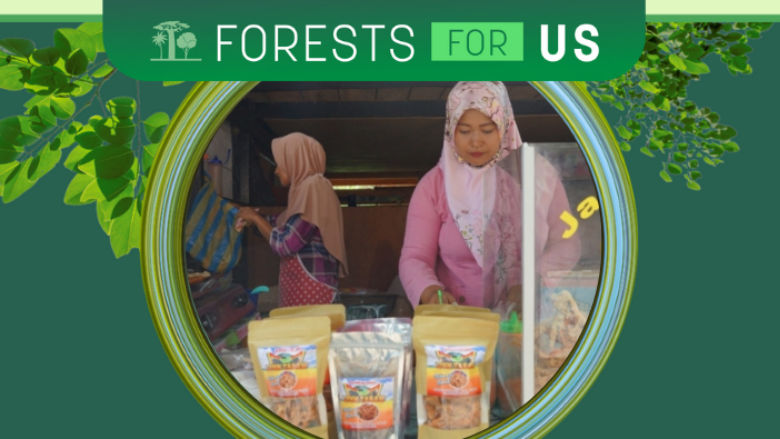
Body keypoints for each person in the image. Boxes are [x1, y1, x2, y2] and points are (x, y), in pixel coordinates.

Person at [398, 81, 581, 310]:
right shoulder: (434, 186)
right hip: (459, 324)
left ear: (505, 126)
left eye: (487, 129)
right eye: (464, 130)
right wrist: (430, 290)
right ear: (450, 129)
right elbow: (415, 258)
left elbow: (567, 242)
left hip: (525, 323)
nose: (476, 141)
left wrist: (535, 281)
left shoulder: (538, 177)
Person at [235, 132, 349, 306]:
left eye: (280, 164)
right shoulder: (306, 190)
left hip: (312, 294)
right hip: (307, 292)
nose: (276, 170)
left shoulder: (314, 188)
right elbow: (281, 224)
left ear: (295, 160)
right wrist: (254, 220)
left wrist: (256, 218)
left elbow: (286, 243)